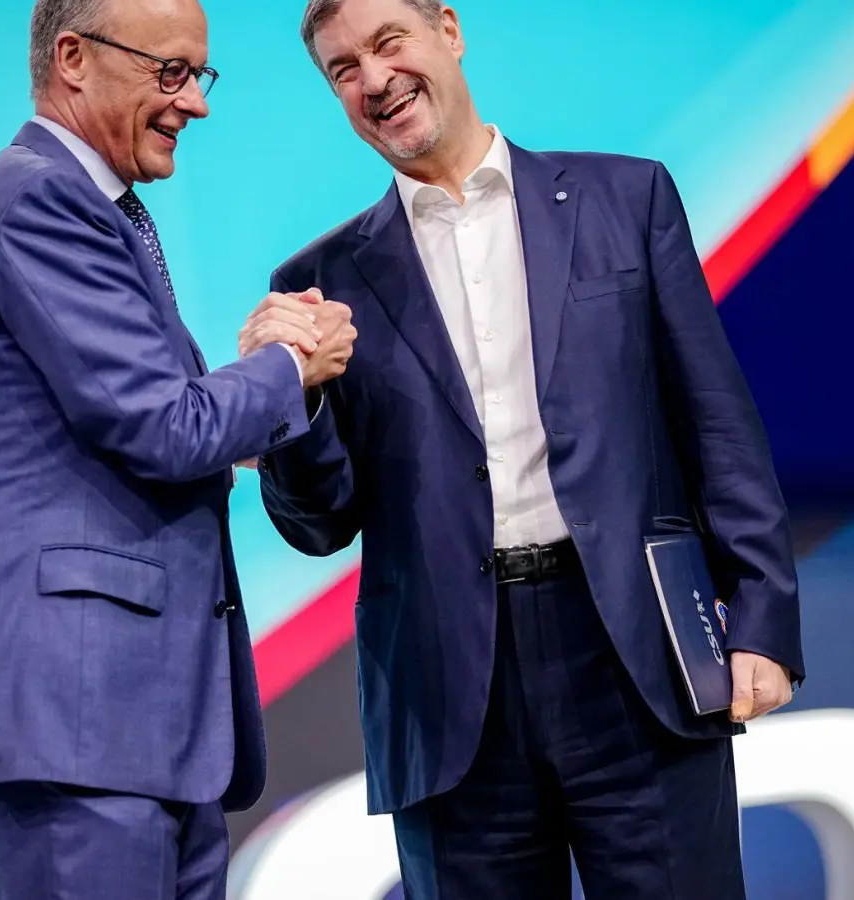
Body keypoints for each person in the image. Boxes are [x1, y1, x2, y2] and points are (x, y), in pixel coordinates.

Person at [257, 1, 803, 896]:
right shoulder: (319, 285)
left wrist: (763, 619)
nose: (375, 80)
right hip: (450, 695)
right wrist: (297, 396)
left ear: (449, 29)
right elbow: (319, 524)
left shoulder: (626, 200)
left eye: (389, 43)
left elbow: (716, 420)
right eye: (344, 69)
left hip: (635, 655)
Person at [0, 0, 355, 895]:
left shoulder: (91, 209)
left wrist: (255, 392)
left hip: (136, 730)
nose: (196, 102)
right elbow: (165, 427)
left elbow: (150, 422)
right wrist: (289, 363)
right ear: (73, 58)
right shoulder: (37, 200)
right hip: (73, 725)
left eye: (200, 74)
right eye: (171, 71)